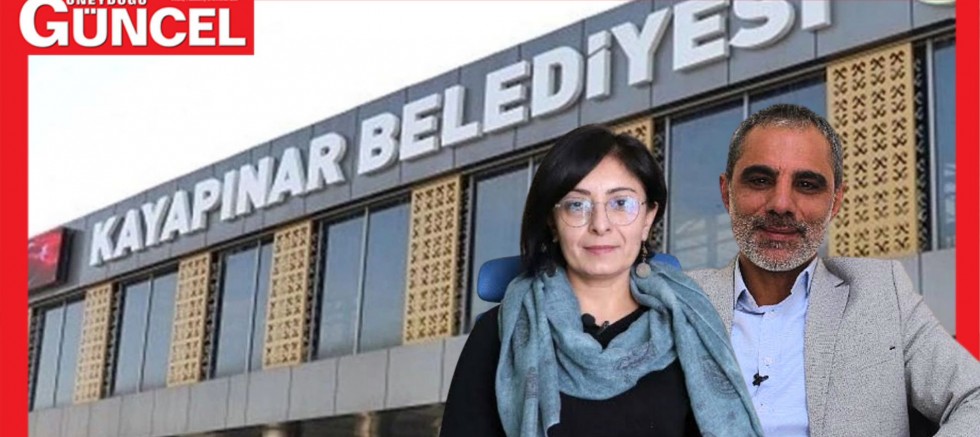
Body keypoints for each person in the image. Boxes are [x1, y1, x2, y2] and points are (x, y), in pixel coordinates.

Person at [440, 125, 762, 436]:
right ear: (553, 222)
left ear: (647, 218)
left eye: (621, 203)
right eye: (576, 205)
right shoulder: (500, 334)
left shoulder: (690, 326)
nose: (600, 224)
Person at [687, 103, 980, 436]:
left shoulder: (882, 294)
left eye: (806, 185)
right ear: (727, 192)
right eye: (760, 180)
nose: (781, 204)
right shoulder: (680, 301)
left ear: (836, 202)